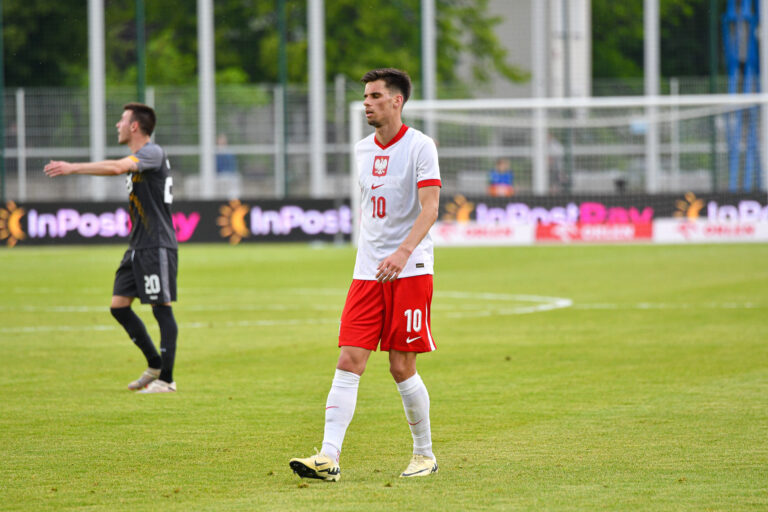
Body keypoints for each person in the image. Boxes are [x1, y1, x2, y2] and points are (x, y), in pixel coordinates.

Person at [289, 68, 441, 481]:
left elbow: (430, 207)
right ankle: (328, 456)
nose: (366, 103)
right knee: (349, 359)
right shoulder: (361, 150)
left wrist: (403, 251)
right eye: (365, 96)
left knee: (400, 366)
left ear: (397, 101)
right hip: (366, 273)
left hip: (409, 271)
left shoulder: (421, 146)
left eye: (375, 96)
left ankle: (424, 455)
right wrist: (377, 255)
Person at [44, 103, 179, 394]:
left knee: (161, 308)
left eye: (121, 120)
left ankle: (166, 380)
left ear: (134, 127)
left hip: (157, 245)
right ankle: (154, 363)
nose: (117, 125)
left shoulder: (152, 152)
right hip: (138, 246)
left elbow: (119, 167)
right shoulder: (140, 156)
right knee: (118, 307)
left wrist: (73, 168)